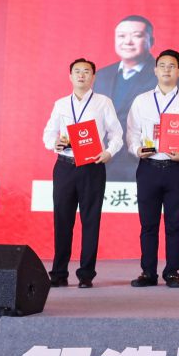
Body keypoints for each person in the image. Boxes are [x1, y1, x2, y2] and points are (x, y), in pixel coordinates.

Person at [41, 58, 123, 288]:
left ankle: (86, 274)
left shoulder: (103, 102)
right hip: (65, 166)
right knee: (62, 220)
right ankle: (58, 273)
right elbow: (48, 133)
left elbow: (116, 133)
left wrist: (109, 152)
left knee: (91, 221)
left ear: (93, 77)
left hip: (92, 167)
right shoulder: (61, 104)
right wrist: (54, 143)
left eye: (86, 72)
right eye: (77, 71)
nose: (81, 75)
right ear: (70, 76)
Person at [126, 49, 179, 288]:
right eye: (162, 66)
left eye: (172, 66)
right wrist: (136, 149)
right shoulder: (142, 100)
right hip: (148, 167)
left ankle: (172, 272)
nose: (167, 70)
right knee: (148, 224)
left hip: (176, 169)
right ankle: (148, 272)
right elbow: (132, 132)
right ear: (155, 70)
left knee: (175, 224)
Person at [93, 15, 179, 182]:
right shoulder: (102, 75)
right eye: (121, 36)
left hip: (148, 161)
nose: (128, 41)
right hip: (105, 160)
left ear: (151, 41)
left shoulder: (168, 75)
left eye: (137, 36)